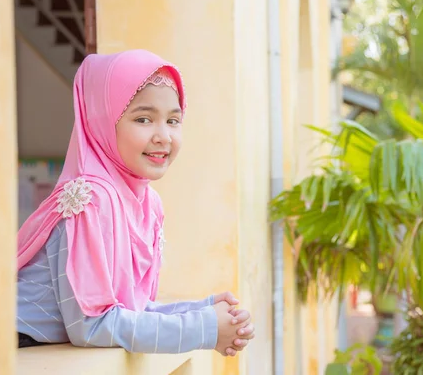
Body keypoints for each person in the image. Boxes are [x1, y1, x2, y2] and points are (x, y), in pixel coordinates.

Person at [16, 50, 255, 357]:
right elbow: (90, 325)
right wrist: (203, 328)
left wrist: (206, 311)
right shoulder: (93, 200)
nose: (163, 136)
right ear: (102, 120)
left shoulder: (146, 203)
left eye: (173, 120)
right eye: (143, 119)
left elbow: (131, 310)